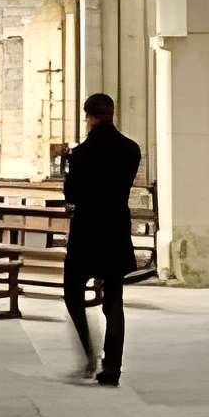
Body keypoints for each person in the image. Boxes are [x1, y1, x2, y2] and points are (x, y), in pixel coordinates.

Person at [62, 91, 141, 385]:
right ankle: (112, 367)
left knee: (73, 292)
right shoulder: (131, 150)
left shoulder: (80, 155)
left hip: (86, 231)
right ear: (111, 114)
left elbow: (71, 196)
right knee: (114, 301)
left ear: (90, 117)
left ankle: (89, 352)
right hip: (115, 230)